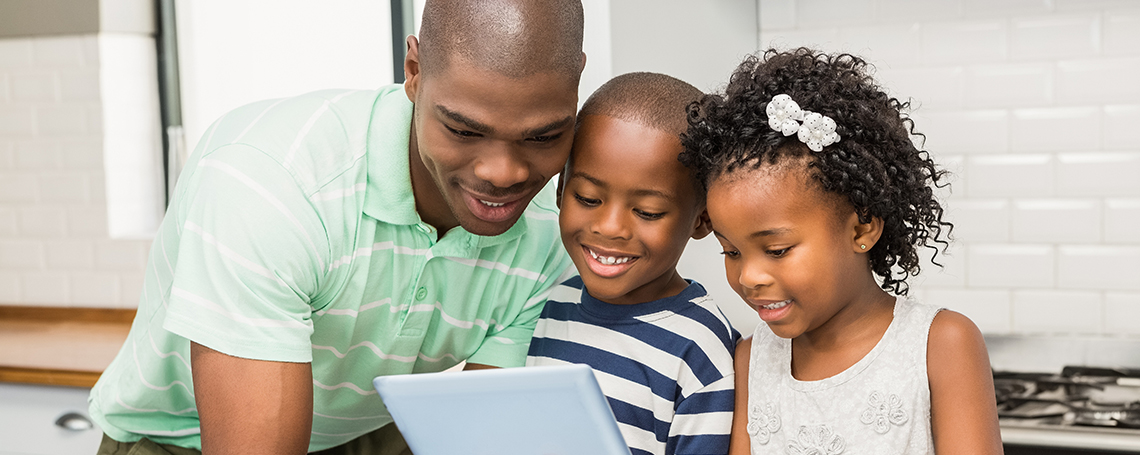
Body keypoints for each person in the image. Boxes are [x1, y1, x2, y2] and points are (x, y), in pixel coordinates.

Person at [88, 1, 585, 454]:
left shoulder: (552, 225)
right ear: (414, 72)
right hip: (178, 441)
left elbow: (482, 435)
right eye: (463, 130)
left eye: (544, 136)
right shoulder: (274, 186)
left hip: (363, 432)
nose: (504, 174)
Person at [679, 48, 1003, 454]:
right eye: (731, 252)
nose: (749, 277)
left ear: (862, 227)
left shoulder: (941, 344)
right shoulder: (749, 360)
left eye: (776, 250)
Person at [526, 72, 740, 455]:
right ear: (560, 190)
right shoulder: (545, 307)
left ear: (702, 220)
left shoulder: (702, 350)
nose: (610, 228)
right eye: (589, 199)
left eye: (647, 211)